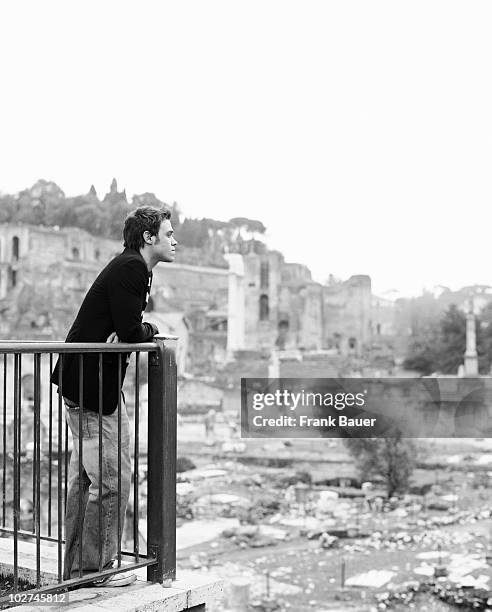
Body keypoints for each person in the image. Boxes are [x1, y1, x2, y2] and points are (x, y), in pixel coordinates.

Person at [51, 207, 177, 586]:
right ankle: (95, 570)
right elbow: (131, 330)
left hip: (95, 387)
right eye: (169, 234)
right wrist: (147, 329)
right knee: (112, 480)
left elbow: (125, 331)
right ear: (149, 237)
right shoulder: (131, 269)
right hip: (92, 389)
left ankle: (78, 568)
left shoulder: (136, 269)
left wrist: (132, 332)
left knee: (89, 480)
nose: (175, 241)